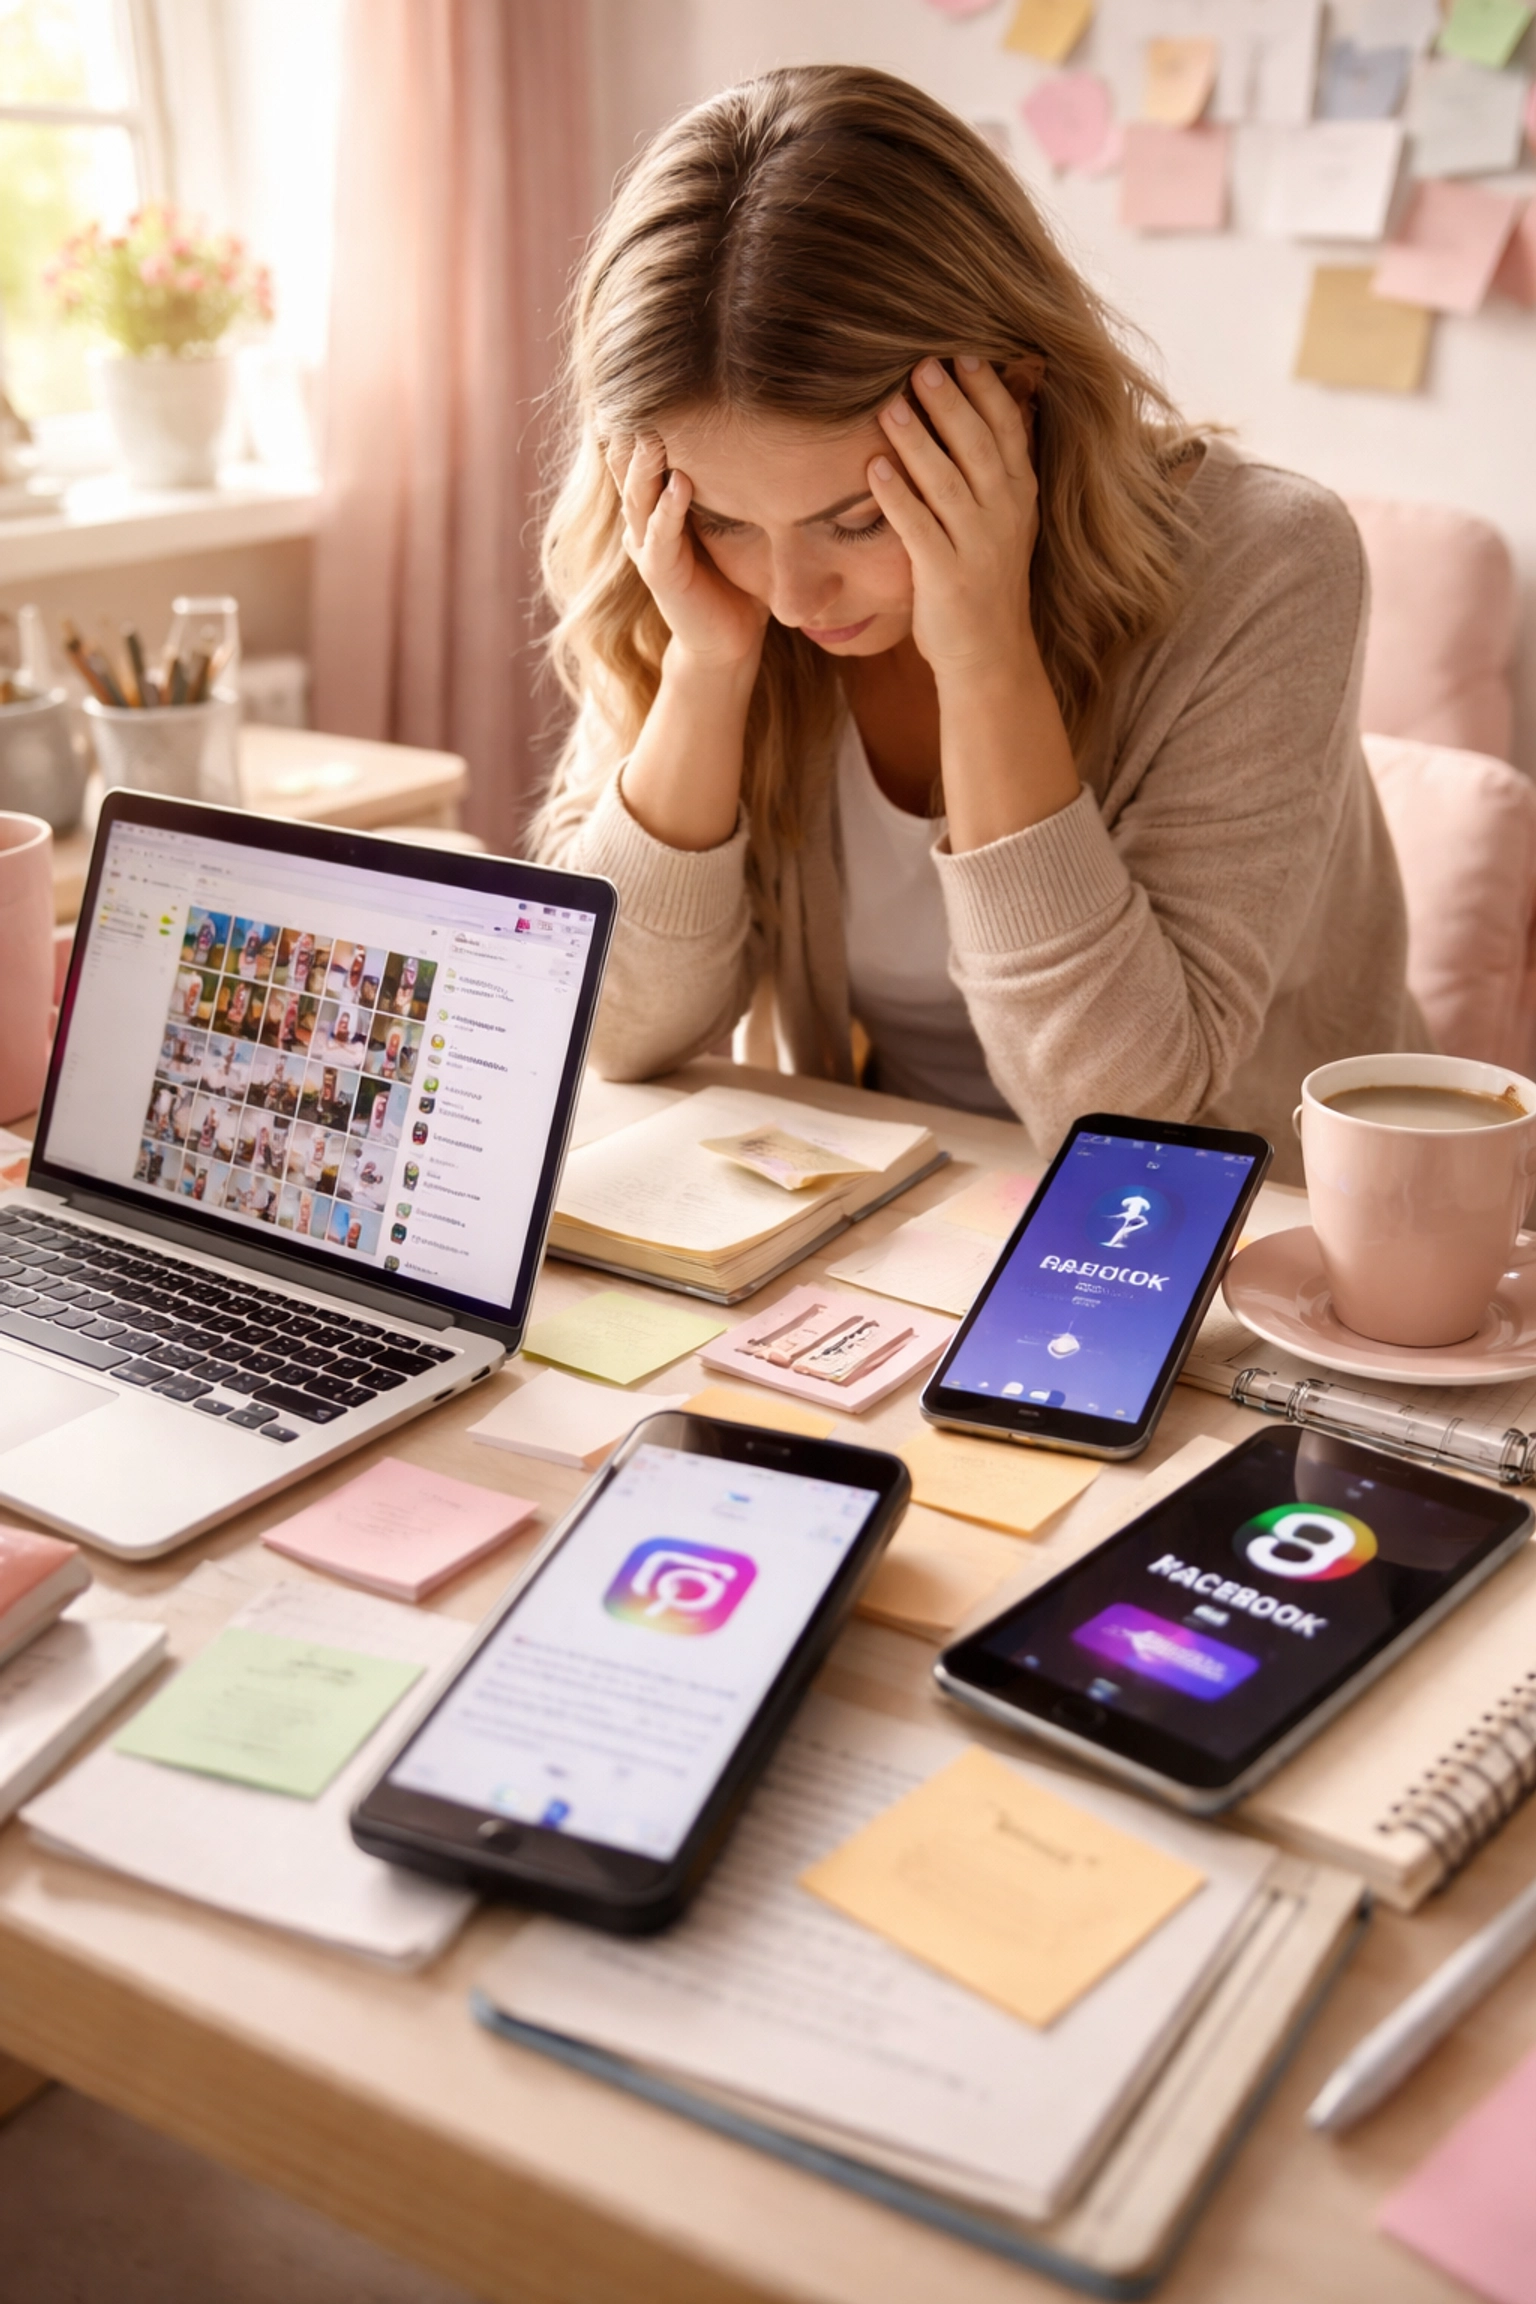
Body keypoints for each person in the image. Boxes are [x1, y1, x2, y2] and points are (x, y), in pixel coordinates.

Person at [532, 66, 1424, 1178]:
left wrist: (988, 655)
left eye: (856, 520)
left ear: (1015, 398)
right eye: (726, 520)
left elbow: (1131, 1117)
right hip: (922, 1215)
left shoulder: (1269, 563)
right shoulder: (699, 586)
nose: (793, 597)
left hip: (1261, 1256)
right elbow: (613, 1028)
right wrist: (708, 668)